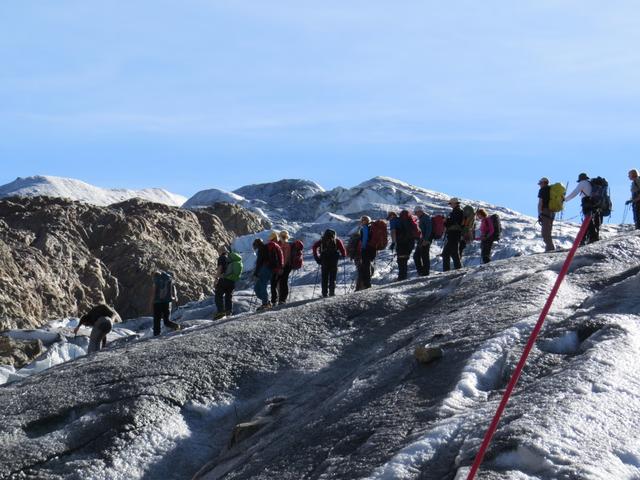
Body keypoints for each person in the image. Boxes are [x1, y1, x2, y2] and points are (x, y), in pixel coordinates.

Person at [564, 172, 601, 244]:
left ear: (580, 179)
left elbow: (575, 192)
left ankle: (593, 237)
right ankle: (586, 238)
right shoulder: (589, 183)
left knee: (588, 220)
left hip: (586, 202)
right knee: (589, 220)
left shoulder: (582, 183)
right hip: (593, 202)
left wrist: (565, 199)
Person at [313, 229, 347, 297]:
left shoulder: (322, 240)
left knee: (324, 278)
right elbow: (344, 252)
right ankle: (332, 293)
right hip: (334, 261)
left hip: (324, 261)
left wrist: (317, 258)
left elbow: (314, 247)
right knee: (332, 278)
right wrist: (341, 256)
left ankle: (324, 294)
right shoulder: (337, 240)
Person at [214, 248, 242, 319]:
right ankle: (229, 312)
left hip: (224, 279)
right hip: (232, 281)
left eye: (219, 251)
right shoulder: (231, 259)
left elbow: (220, 268)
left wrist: (216, 278)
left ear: (221, 252)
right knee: (228, 296)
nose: (218, 252)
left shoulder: (222, 257)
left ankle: (220, 312)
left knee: (218, 295)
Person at [151, 270, 181, 336]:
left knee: (157, 320)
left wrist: (151, 302)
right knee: (166, 321)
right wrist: (175, 298)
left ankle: (156, 335)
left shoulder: (156, 279)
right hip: (167, 302)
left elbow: (154, 292)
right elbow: (173, 290)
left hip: (157, 302)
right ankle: (177, 327)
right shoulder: (168, 279)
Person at [390, 210, 417, 281]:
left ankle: (401, 277)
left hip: (401, 243)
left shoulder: (394, 221)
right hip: (410, 242)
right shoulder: (407, 221)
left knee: (401, 260)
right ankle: (403, 276)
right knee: (404, 260)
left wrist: (393, 242)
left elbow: (393, 232)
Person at [442, 198, 464, 271]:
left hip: (454, 234)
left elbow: (452, 222)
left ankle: (455, 270)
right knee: (451, 253)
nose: (450, 205)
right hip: (455, 234)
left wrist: (445, 221)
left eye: (451, 203)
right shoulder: (458, 211)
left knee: (448, 253)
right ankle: (456, 269)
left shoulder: (457, 212)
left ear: (455, 203)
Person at [252, 238, 273, 311]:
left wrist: (256, 273)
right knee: (258, 288)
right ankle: (266, 302)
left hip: (264, 270)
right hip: (267, 270)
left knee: (262, 287)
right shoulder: (266, 248)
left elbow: (259, 263)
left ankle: (265, 304)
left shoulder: (261, 250)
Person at [273, 230, 293, 305]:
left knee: (283, 282)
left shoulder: (286, 245)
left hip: (285, 266)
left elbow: (286, 257)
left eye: (283, 237)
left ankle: (282, 299)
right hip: (283, 266)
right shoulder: (284, 245)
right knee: (281, 282)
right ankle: (281, 298)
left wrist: (281, 267)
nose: (283, 238)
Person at [357, 216, 376, 290]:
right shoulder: (371, 227)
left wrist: (362, 248)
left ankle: (367, 284)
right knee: (368, 265)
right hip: (372, 249)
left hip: (366, 249)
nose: (362, 222)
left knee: (365, 266)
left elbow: (364, 240)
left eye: (363, 220)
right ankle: (367, 283)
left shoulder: (365, 228)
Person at [537, 177, 556, 252]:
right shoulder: (552, 189)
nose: (540, 185)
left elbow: (540, 203)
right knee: (549, 230)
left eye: (540, 183)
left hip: (545, 211)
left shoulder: (542, 190)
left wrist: (539, 214)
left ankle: (550, 249)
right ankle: (549, 247)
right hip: (552, 211)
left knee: (545, 232)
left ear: (544, 183)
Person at [413, 206, 432, 276]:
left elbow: (429, 229)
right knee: (417, 256)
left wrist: (426, 240)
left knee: (424, 256)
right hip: (422, 240)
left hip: (425, 240)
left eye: (416, 212)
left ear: (420, 211)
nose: (416, 214)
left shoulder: (426, 218)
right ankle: (422, 272)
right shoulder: (422, 218)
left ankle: (425, 272)